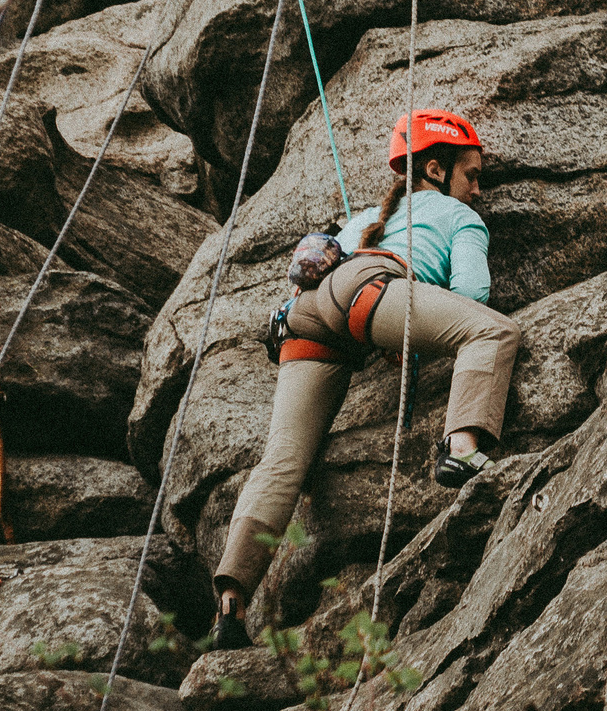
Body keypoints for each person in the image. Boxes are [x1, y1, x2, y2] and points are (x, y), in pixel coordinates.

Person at [208, 108, 521, 651]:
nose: (477, 190)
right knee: (494, 333)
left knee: (284, 459)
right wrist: (417, 336)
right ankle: (463, 447)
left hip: (306, 312)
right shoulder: (458, 216)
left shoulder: (361, 220)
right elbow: (472, 298)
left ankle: (231, 606)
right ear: (435, 169)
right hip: (370, 293)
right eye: (471, 175)